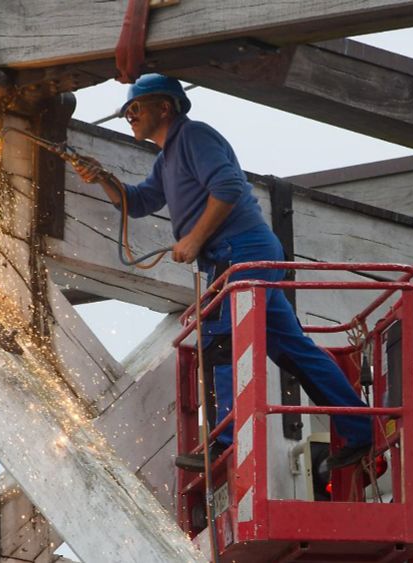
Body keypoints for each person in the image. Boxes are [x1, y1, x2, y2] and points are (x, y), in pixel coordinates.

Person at [73, 74, 372, 471]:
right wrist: (104, 178)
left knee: (219, 340)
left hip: (240, 253)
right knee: (293, 350)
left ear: (165, 108)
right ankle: (361, 429)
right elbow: (140, 202)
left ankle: (224, 443)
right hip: (238, 255)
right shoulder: (167, 159)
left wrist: (194, 239)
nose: (128, 116)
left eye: (134, 108)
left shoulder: (194, 137)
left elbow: (229, 187)